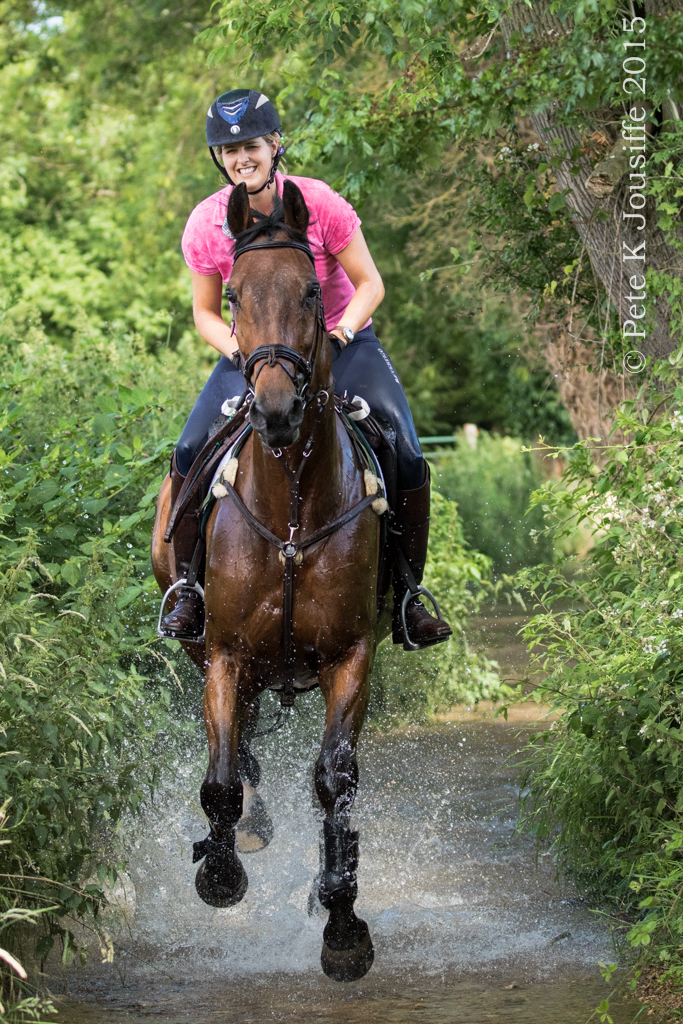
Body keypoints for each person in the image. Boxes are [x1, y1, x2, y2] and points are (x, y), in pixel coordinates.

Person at [161, 88, 452, 651]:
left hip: (343, 343)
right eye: (228, 150)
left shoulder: (320, 204)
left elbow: (371, 283)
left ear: (274, 145)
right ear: (219, 159)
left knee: (407, 450)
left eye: (250, 145)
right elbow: (203, 311)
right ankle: (191, 589)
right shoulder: (206, 224)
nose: (240, 158)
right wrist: (239, 353)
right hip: (254, 357)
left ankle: (410, 596)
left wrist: (340, 334)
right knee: (190, 449)